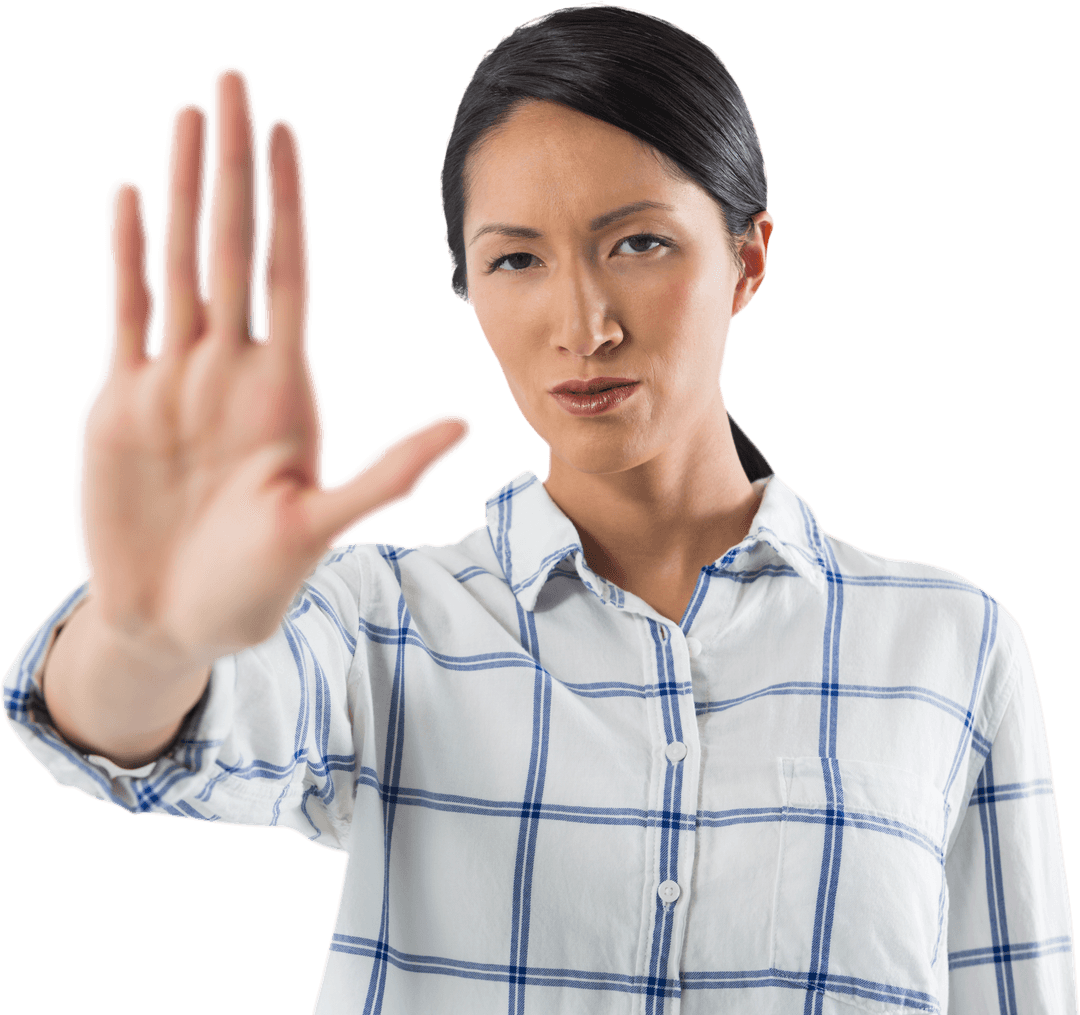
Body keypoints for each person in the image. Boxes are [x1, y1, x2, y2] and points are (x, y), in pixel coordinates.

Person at [2, 5, 1075, 1013]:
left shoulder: (952, 643)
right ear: (468, 290)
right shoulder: (385, 621)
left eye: (640, 243)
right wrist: (148, 632)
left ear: (746, 261)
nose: (584, 323)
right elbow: (146, 733)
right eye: (515, 258)